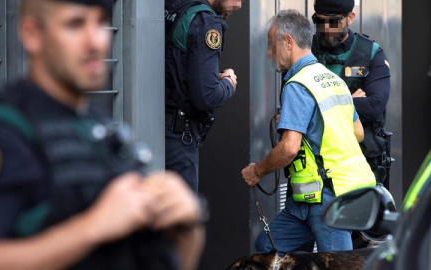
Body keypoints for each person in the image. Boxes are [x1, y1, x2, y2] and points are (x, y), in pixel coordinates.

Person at [0, 0, 206, 269]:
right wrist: (93, 227)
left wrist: (187, 227)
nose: (95, 41)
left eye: (101, 23)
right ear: (32, 34)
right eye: (75, 24)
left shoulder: (102, 127)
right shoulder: (1, 133)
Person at [241, 10, 376, 256]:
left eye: (272, 46)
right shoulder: (333, 80)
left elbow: (289, 148)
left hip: (327, 196)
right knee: (268, 245)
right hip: (312, 198)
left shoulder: (297, 85)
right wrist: (304, 122)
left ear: (288, 42)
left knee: (336, 262)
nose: (270, 55)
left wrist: (257, 171)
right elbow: (357, 133)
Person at [311, 0, 392, 187]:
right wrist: (348, 101)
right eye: (319, 21)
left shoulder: (371, 53)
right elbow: (296, 105)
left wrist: (317, 106)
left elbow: (373, 107)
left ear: (350, 18)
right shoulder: (306, 50)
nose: (325, 28)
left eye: (332, 22)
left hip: (360, 164)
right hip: (315, 165)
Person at [164, 0, 241, 191]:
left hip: (155, 129)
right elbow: (207, 97)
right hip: (178, 139)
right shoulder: (205, 21)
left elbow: (176, 68)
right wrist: (228, 83)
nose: (240, 4)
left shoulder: (175, 7)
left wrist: (209, 77)